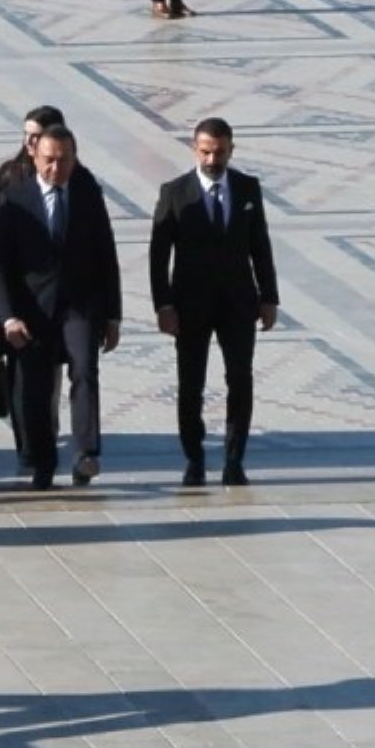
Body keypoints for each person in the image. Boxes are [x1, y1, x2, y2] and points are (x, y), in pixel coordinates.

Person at [150, 117, 278, 486]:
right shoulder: (175, 192)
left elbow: (260, 245)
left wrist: (268, 297)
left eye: (219, 152)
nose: (212, 159)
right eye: (205, 151)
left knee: (240, 378)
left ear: (231, 150)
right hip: (190, 305)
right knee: (191, 383)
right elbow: (159, 254)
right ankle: (194, 458)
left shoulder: (247, 188)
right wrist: (163, 305)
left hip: (238, 302)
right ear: (195, 149)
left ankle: (235, 459)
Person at [0, 125, 123, 490]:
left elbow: (106, 254)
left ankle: (85, 453)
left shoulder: (86, 193)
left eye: (64, 159)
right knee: (34, 387)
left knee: (85, 370)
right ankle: (43, 460)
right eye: (49, 160)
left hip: (79, 306)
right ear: (34, 156)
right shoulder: (15, 199)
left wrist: (112, 315)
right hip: (32, 311)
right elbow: (0, 266)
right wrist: (8, 317)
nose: (56, 167)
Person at [0, 106, 67, 475]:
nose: (29, 142)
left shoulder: (72, 177)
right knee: (23, 377)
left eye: (36, 135)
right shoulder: (9, 176)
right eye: (27, 134)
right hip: (18, 299)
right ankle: (29, 445)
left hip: (57, 303)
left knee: (50, 377)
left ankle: (44, 438)